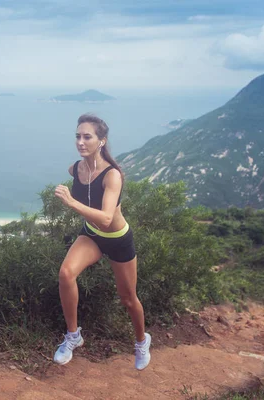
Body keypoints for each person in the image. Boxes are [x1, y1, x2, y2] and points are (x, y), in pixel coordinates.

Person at [53, 113, 151, 370]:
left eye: (88, 137)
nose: (81, 142)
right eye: (78, 136)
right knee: (65, 274)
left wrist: (71, 203)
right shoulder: (75, 169)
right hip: (91, 236)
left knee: (129, 299)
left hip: (117, 239)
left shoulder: (112, 175)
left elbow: (107, 219)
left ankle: (142, 341)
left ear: (102, 141)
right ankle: (73, 336)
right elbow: (95, 218)